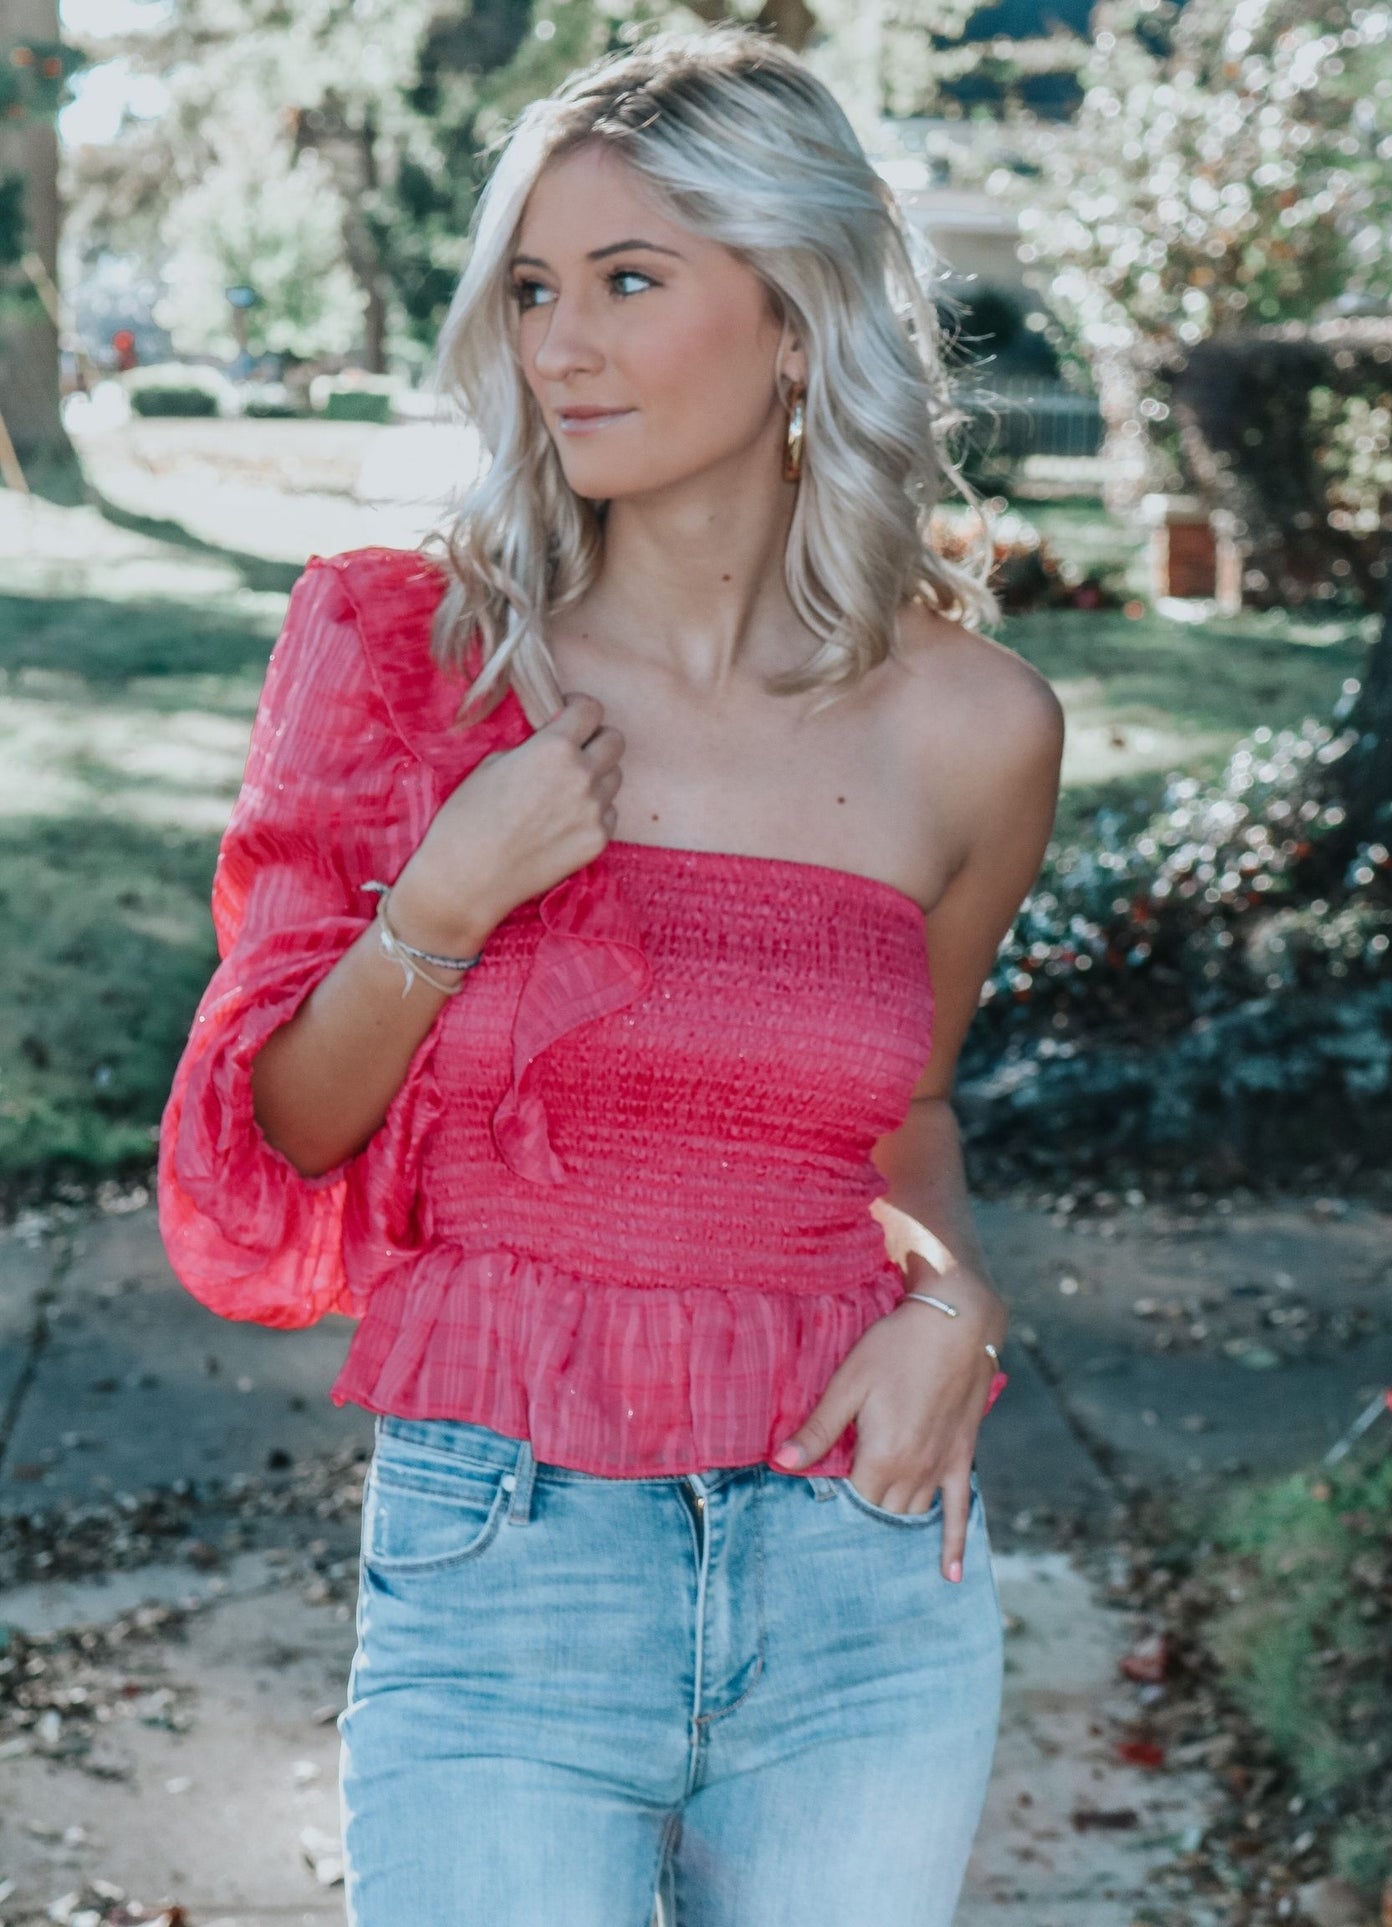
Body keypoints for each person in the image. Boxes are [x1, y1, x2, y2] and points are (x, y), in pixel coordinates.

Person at [158, 24, 1065, 1926]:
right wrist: (447, 898)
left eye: (629, 283)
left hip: (859, 1563)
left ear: (798, 318)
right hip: (507, 1565)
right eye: (533, 290)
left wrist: (962, 1313)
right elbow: (287, 1133)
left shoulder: (972, 731)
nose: (556, 345)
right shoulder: (418, 663)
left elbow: (899, 1124)